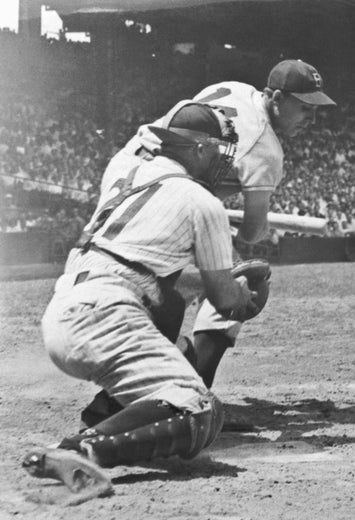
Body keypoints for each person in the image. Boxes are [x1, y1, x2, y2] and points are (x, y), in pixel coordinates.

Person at [22, 103, 257, 503]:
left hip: (69, 307)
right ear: (199, 149)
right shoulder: (204, 203)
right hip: (106, 315)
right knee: (200, 408)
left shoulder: (126, 169)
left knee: (169, 309)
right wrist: (246, 297)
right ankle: (79, 451)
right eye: (218, 149)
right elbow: (224, 298)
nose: (223, 160)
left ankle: (103, 417)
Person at [101, 59, 336, 389]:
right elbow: (253, 233)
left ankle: (151, 376)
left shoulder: (237, 89)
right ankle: (191, 390)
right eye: (305, 108)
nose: (312, 119)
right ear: (277, 98)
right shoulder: (266, 149)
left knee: (161, 280)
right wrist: (230, 247)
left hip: (129, 167)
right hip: (170, 190)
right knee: (238, 282)